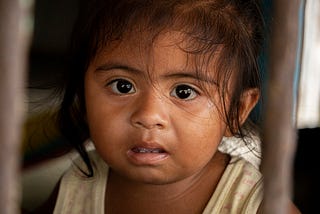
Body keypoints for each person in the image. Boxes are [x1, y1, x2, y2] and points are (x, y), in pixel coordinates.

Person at [34, 0, 301, 213]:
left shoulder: (257, 205)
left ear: (236, 111)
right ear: (83, 93)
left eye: (184, 92)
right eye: (122, 86)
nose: (148, 116)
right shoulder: (79, 185)